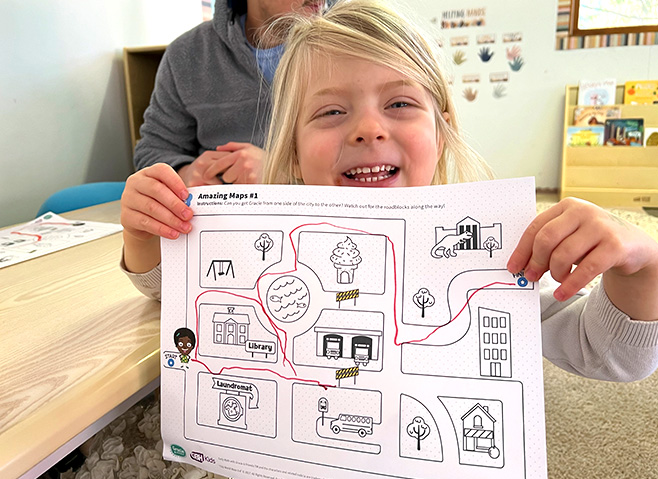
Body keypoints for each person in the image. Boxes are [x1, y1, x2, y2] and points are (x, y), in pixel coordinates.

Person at [120, 0, 658, 382]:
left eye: (399, 104)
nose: (367, 129)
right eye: (331, 112)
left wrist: (642, 263)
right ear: (292, 149)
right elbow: (174, 290)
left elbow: (611, 356)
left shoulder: (492, 253)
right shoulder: (273, 239)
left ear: (443, 127)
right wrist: (146, 229)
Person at [134, 0, 326, 187]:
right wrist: (185, 174)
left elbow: (354, 157)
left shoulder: (351, 42)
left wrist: (282, 175)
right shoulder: (187, 54)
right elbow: (154, 149)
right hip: (219, 211)